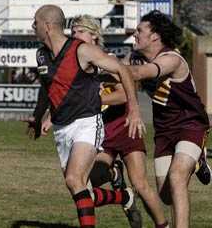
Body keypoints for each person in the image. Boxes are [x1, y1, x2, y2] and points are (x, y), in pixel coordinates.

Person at [30, 4, 145, 228]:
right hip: (62, 128)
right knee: (82, 190)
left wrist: (133, 108)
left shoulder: (82, 50)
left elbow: (123, 70)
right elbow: (48, 88)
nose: (32, 27)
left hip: (87, 122)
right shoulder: (41, 55)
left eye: (35, 23)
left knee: (74, 179)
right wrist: (39, 116)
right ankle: (124, 197)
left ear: (47, 26)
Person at [70, 15, 168, 228]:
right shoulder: (76, 63)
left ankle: (163, 225)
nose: (73, 36)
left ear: (94, 36)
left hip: (125, 127)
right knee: (84, 187)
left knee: (141, 185)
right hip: (101, 131)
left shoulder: (108, 60)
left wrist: (94, 99)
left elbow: (124, 94)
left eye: (79, 31)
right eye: (72, 32)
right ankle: (122, 192)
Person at [127, 10, 210, 228]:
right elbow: (120, 69)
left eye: (140, 30)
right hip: (164, 131)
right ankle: (197, 161)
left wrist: (105, 66)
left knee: (177, 177)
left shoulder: (172, 59)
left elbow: (135, 74)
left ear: (155, 36)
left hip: (190, 124)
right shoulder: (135, 57)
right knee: (166, 195)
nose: (134, 34)